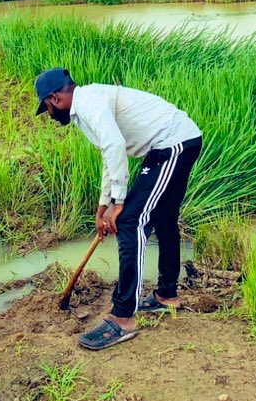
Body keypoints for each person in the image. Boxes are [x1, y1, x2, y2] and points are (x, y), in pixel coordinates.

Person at [34, 67, 203, 350]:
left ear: (55, 98)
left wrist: (120, 204)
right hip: (173, 144)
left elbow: (114, 145)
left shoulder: (88, 102)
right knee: (163, 217)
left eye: (47, 108)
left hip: (173, 143)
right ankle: (166, 295)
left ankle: (123, 317)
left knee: (131, 222)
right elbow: (109, 154)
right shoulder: (86, 105)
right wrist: (104, 204)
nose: (49, 115)